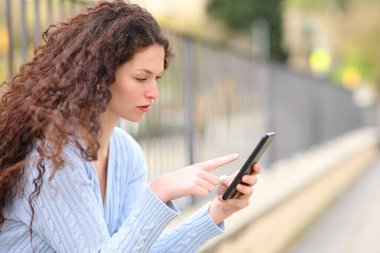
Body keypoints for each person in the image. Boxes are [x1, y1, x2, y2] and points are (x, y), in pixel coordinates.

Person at [0, 1, 261, 252]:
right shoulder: (52, 159)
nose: (153, 92)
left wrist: (217, 212)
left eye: (156, 78)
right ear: (99, 75)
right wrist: (159, 192)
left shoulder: (127, 153)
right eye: (141, 78)